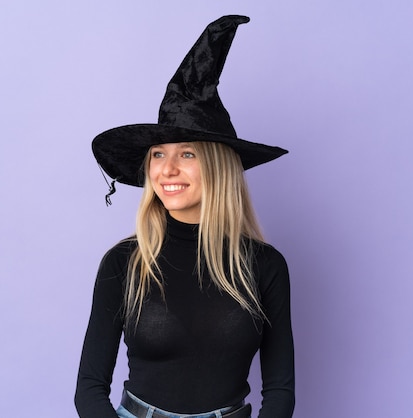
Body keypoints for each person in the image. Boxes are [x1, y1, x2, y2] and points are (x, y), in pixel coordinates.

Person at [75, 15, 294, 418]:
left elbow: (280, 388)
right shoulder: (124, 263)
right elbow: (89, 388)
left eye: (186, 154)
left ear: (218, 168)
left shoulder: (265, 266)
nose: (166, 169)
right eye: (159, 154)